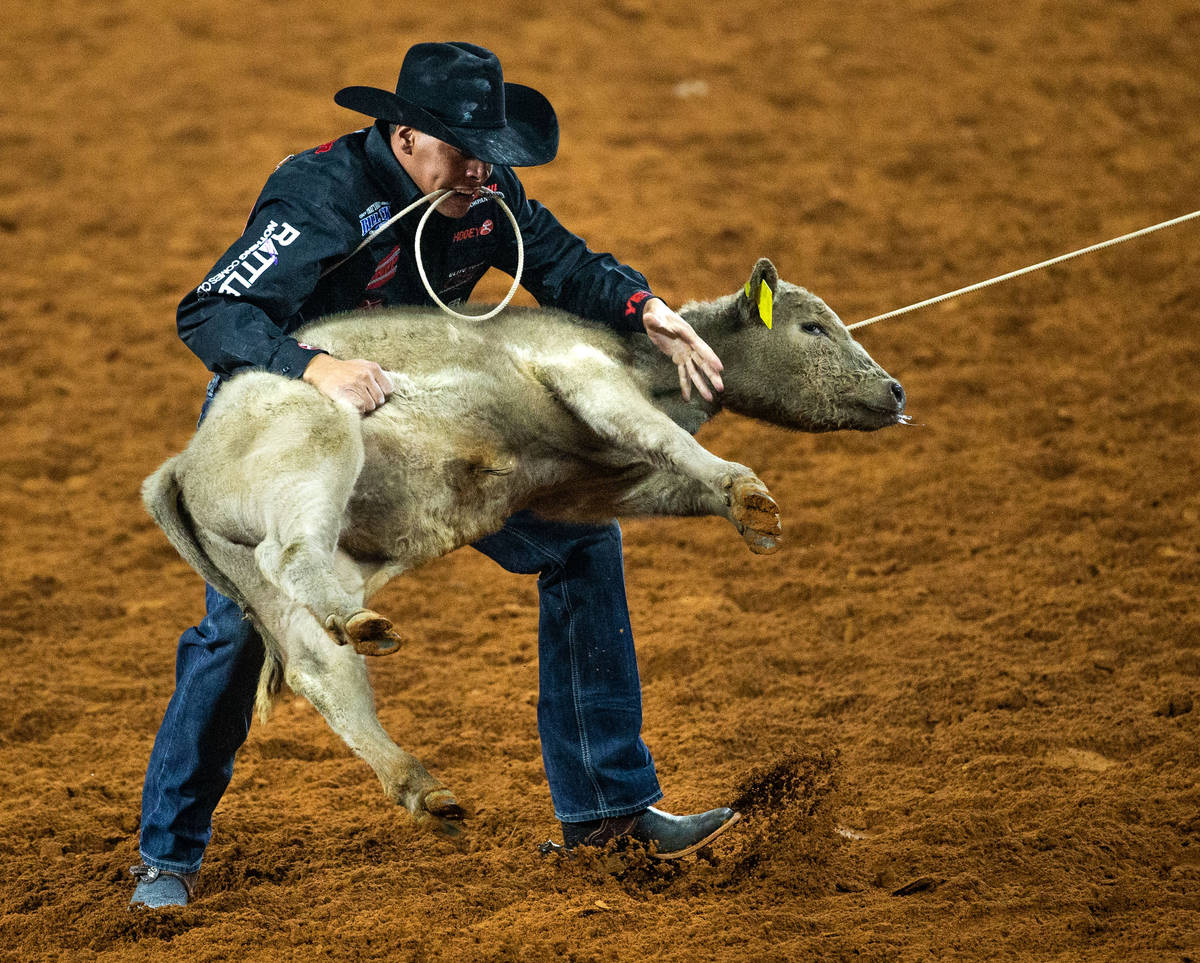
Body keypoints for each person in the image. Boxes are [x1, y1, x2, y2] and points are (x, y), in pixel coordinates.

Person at [130, 41, 740, 909]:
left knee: (577, 543)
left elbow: (561, 262)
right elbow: (214, 309)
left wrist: (646, 309)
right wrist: (309, 365)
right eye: (462, 148)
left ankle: (608, 810)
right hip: (284, 422)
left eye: (491, 150)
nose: (483, 169)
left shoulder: (483, 191)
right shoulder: (321, 197)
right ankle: (166, 857)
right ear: (406, 135)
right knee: (242, 628)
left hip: (412, 419)